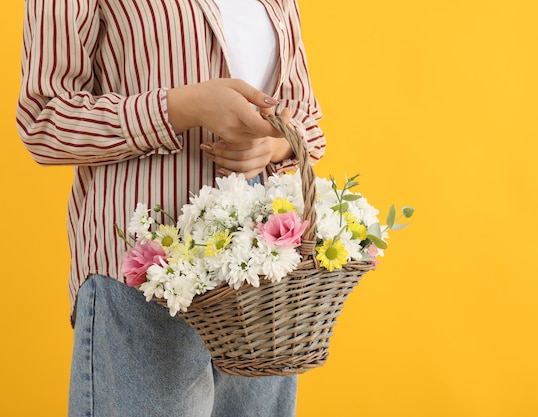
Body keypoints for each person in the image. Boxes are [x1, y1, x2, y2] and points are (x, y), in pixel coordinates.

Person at [16, 1, 325, 416]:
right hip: (142, 275)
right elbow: (44, 120)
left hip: (258, 286)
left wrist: (273, 144)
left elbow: (306, 117)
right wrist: (179, 108)